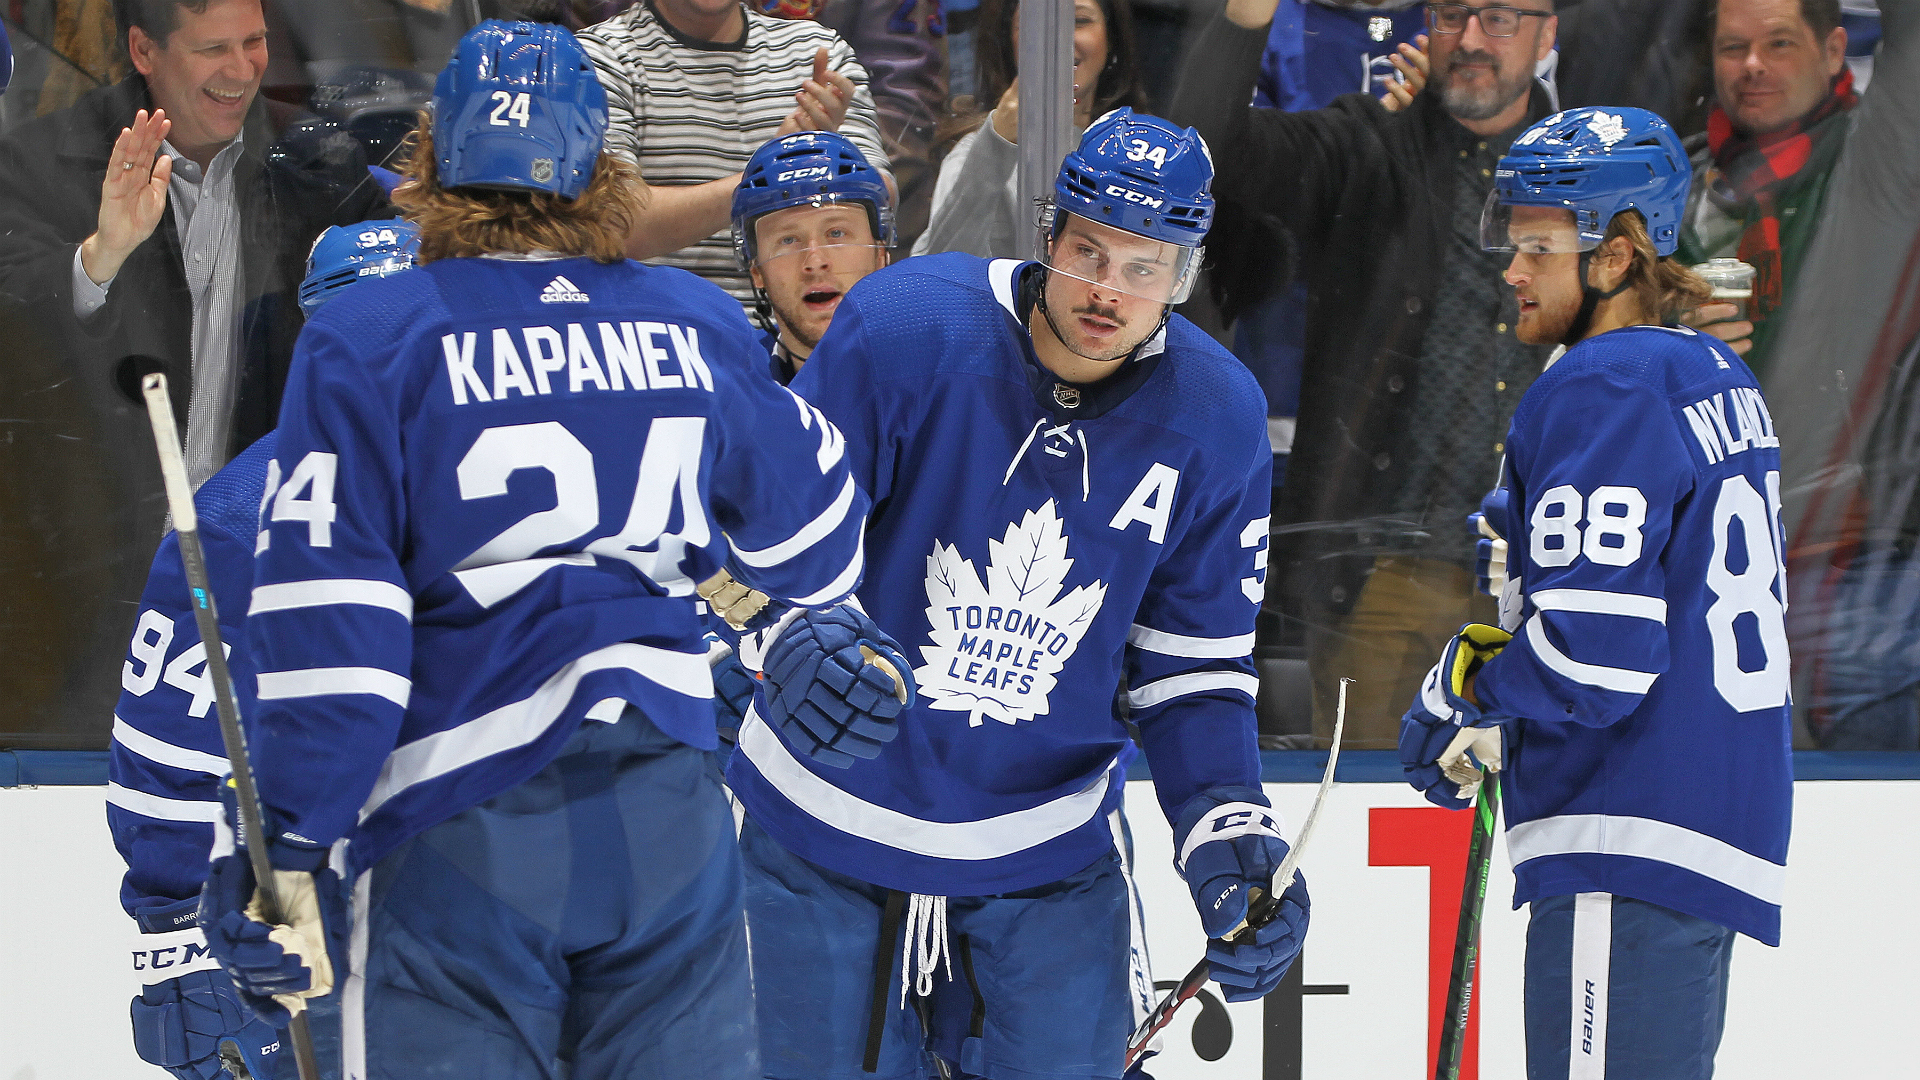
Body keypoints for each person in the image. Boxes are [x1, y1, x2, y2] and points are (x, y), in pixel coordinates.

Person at [189, 21, 899, 1079]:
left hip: (457, 828)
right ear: (603, 167)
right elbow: (819, 541)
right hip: (670, 833)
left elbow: (340, 643)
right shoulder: (697, 322)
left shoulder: (372, 337)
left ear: (430, 166)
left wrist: (283, 844)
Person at [726, 109, 1311, 1080]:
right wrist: (781, 638)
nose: (1107, 291)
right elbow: (765, 546)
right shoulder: (905, 325)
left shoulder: (1219, 417)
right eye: (1090, 253)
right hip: (822, 832)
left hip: (1044, 851)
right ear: (1050, 238)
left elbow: (1192, 666)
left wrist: (1228, 830)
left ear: (1185, 275)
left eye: (1143, 267)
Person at [1400, 106, 1791, 1080]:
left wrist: (1467, 697)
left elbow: (1596, 655)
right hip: (1702, 825)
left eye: (1538, 247)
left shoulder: (1601, 381)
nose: (1512, 270)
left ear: (1616, 257)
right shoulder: (1714, 372)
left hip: (1627, 831)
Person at [1168, 0, 1560, 749]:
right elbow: (1208, 148)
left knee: (1543, 825)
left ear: (1549, 33)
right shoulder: (1369, 147)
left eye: (1500, 18)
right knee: (1382, 832)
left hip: (1556, 577)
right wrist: (1245, 20)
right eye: (1451, 15)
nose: (1471, 39)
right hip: (1388, 579)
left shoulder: (1591, 180)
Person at [0, 0, 387, 737]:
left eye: (254, 43)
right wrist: (99, 257)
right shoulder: (39, 162)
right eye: (214, 49)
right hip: (91, 585)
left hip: (264, 566)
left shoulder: (320, 172)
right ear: (145, 52)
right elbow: (11, 331)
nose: (242, 71)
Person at [105, 218, 421, 1080]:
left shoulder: (505, 484)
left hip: (479, 889)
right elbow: (165, 743)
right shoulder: (239, 518)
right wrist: (173, 939)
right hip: (297, 897)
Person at [578, 0, 892, 309]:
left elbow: (882, 199)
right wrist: (773, 171)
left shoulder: (818, 49)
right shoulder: (597, 58)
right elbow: (613, 224)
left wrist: (821, 157)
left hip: (806, 335)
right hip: (665, 335)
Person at [1676, 0, 1856, 382]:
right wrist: (1667, 342)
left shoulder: (1878, 171)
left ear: (1833, 51)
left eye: (1780, 44)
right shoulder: (1668, 181)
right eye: (1733, 47)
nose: (1752, 64)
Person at [911, 0, 1148, 260]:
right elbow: (937, 271)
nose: (1059, 40)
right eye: (1034, 25)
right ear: (1008, 45)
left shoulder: (1144, 151)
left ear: (1112, 39)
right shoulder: (976, 149)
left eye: (1080, 21)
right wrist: (995, 145)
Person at [731, 129, 893, 382]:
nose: (815, 262)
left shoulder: (934, 380)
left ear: (880, 254)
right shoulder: (733, 389)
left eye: (837, 233)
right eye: (788, 240)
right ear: (756, 271)